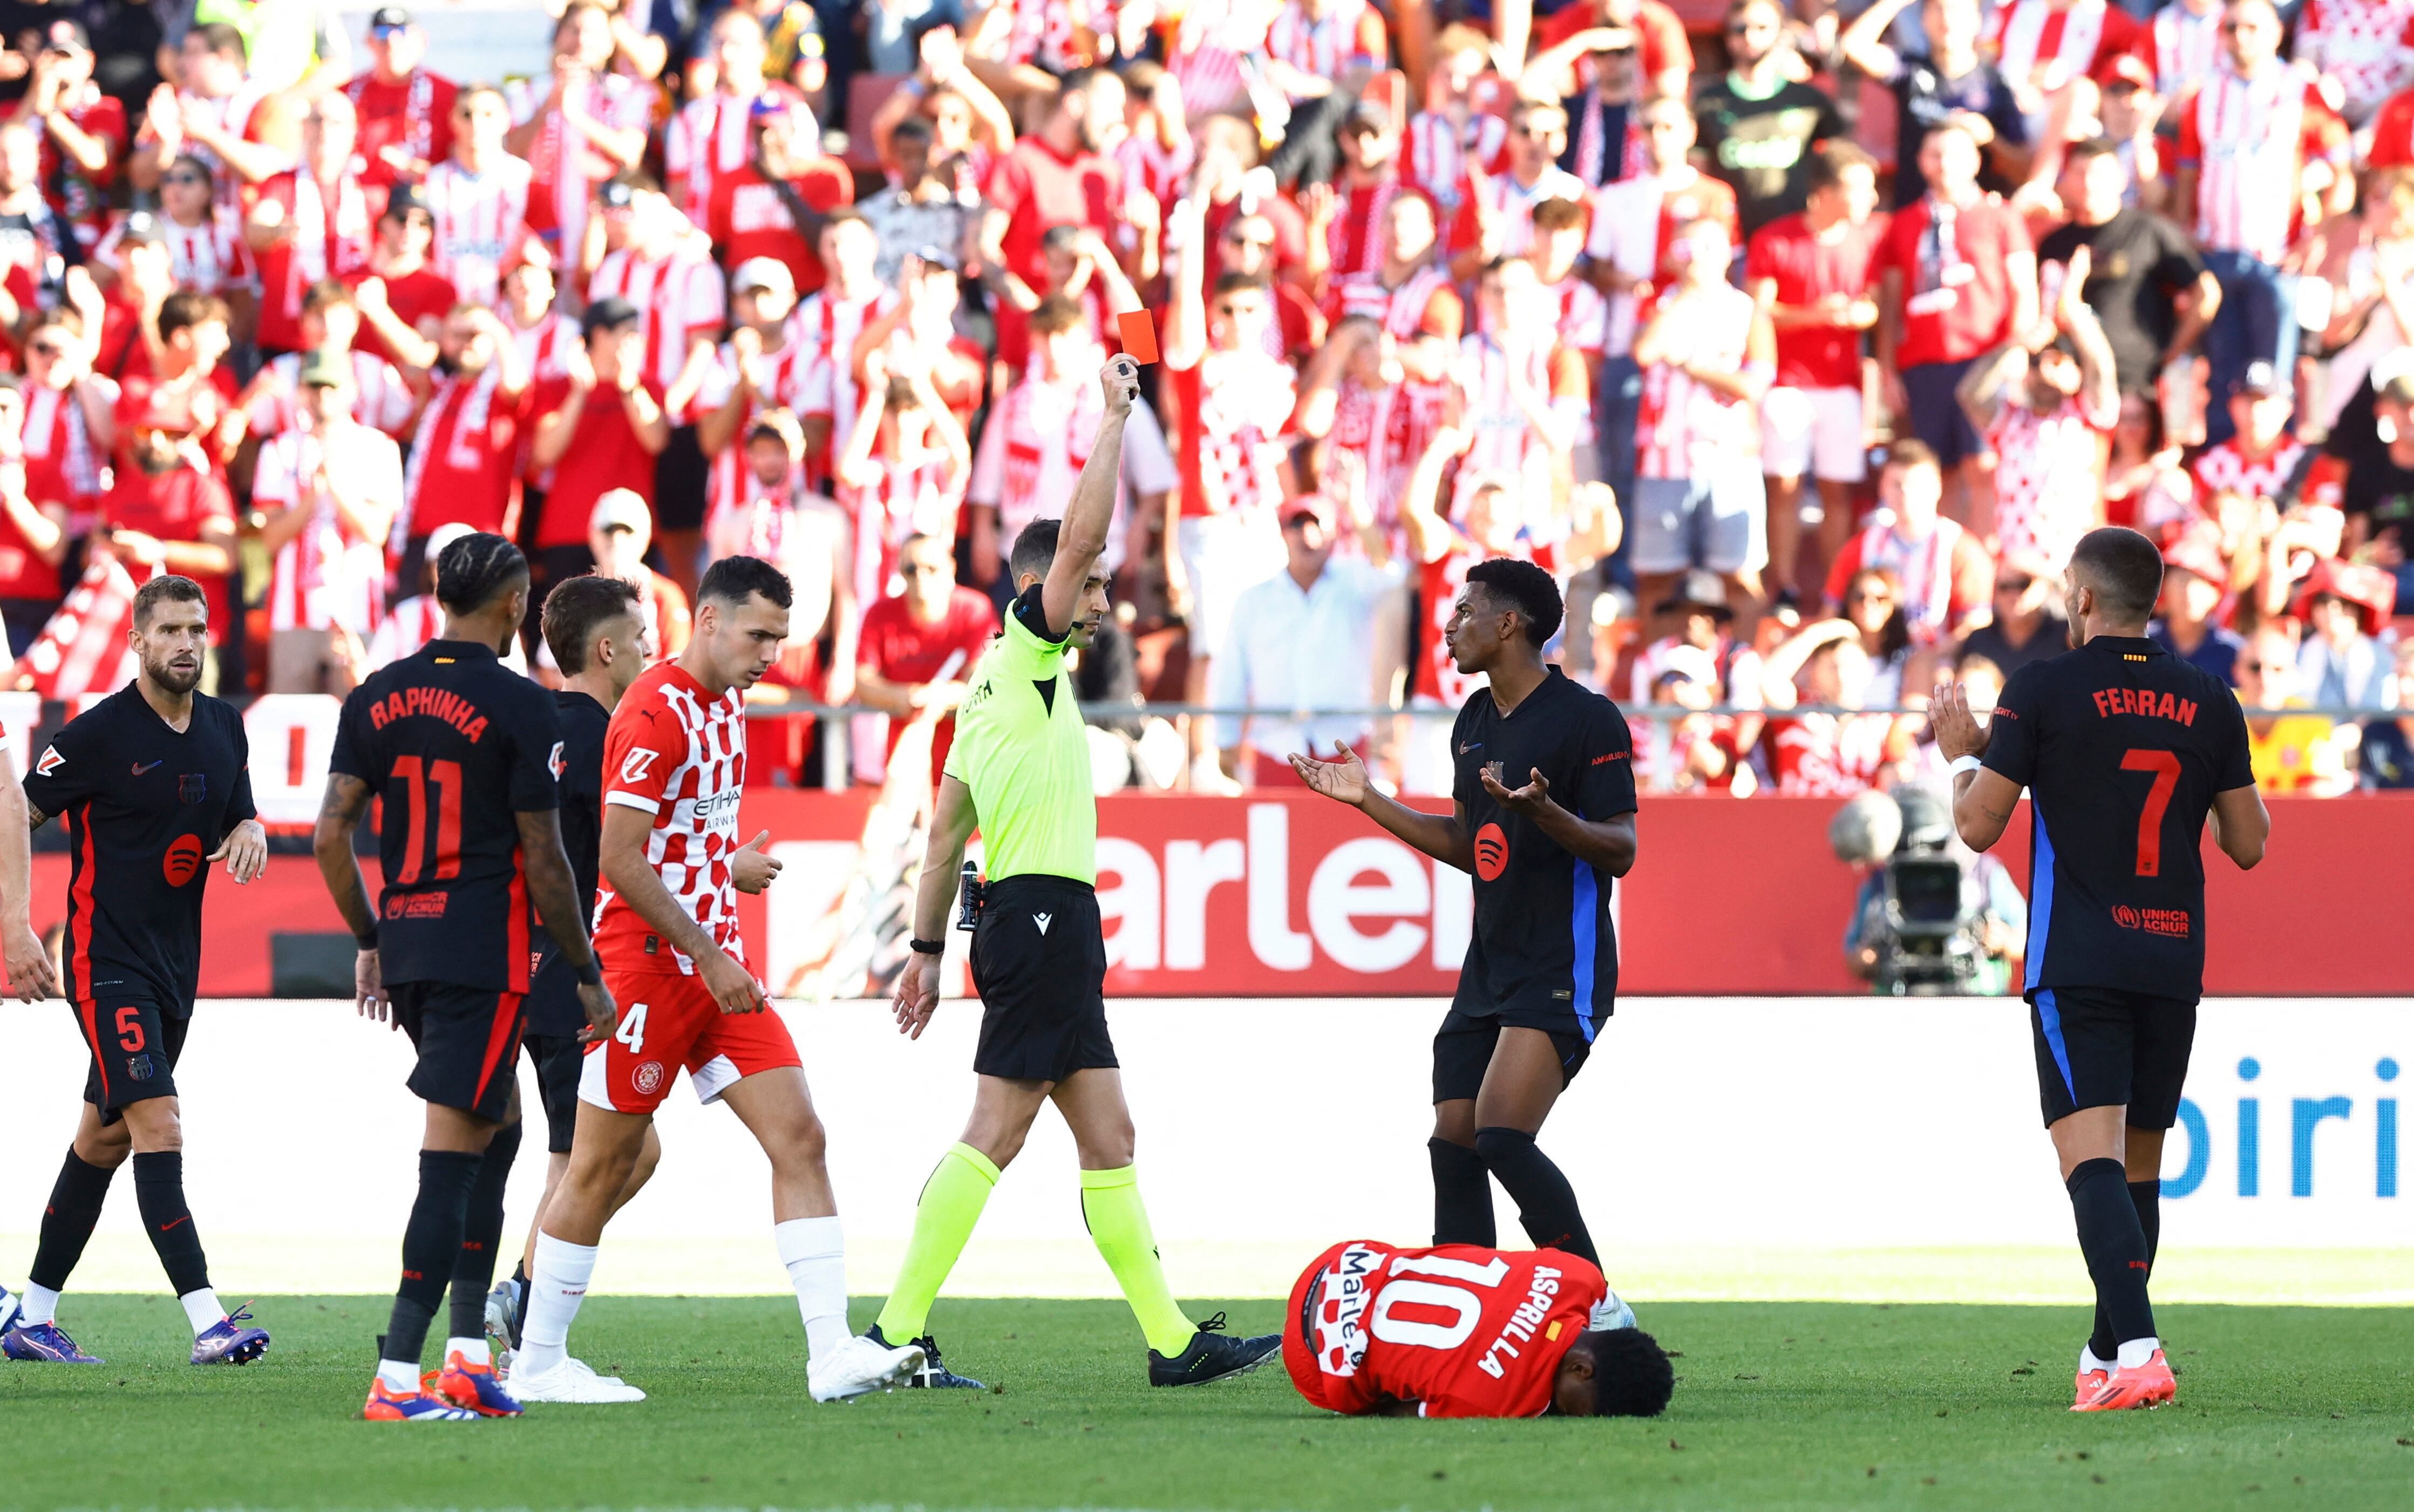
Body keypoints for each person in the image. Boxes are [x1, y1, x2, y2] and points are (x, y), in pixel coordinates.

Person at [884, 355, 1280, 1390]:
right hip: (1043, 923)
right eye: (1089, 586)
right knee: (995, 1132)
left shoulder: (985, 698)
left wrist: (926, 954)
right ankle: (889, 1331)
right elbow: (1085, 534)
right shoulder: (1026, 647)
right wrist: (1113, 415)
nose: (1103, 598)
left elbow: (940, 843)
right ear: (1041, 587)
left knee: (1110, 1134)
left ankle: (1169, 1341)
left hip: (1032, 923)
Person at [518, 554, 921, 1405]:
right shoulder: (653, 710)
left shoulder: (728, 704)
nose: (773, 651)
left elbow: (673, 836)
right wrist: (706, 950)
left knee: (800, 1137)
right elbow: (618, 862)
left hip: (714, 967)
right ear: (706, 621)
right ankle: (539, 1360)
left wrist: (722, 865)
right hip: (648, 970)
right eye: (759, 632)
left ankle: (830, 1354)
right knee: (599, 1165)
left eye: (781, 635)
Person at [1935, 526, 2268, 1413]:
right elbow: (2248, 844)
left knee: (2086, 1158)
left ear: (2080, 600)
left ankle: (2137, 1350)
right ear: (2152, 599)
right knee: (2138, 1169)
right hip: (2170, 953)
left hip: (2077, 958)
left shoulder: (2040, 688)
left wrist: (1963, 752)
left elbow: (1975, 827)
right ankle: (2104, 1349)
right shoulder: (2208, 698)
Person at [315, 533, 614, 1422]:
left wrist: (372, 934)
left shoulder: (375, 694)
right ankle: (398, 1378)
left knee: (502, 1129)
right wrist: (586, 972)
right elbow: (545, 858)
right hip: (482, 953)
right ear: (516, 606)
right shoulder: (523, 705)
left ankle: (466, 1360)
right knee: (450, 1158)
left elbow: (331, 833)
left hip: (408, 948)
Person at [1293, 560, 1638, 1277]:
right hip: (1489, 965)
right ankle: (1461, 1313)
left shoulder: (1586, 718)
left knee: (1502, 1136)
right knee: (1453, 1141)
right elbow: (1467, 843)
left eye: (1463, 611)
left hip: (1558, 964)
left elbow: (1622, 849)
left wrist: (1546, 812)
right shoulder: (1474, 721)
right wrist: (1369, 799)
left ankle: (1601, 1309)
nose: (1448, 626)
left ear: (1508, 624)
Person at [1, 576, 267, 1368]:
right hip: (103, 961)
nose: (187, 643)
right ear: (138, 643)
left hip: (173, 969)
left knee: (104, 1137)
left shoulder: (224, 724)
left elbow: (236, 809)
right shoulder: (95, 736)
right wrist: (16, 925)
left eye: (197, 628)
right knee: (160, 1123)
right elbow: (17, 813)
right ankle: (210, 1318)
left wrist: (249, 825)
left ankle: (32, 1316)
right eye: (171, 631)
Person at [484, 574, 663, 1363]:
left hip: (516, 961)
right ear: (607, 648)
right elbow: (616, 861)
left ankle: (524, 1288)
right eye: (644, 636)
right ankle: (524, 1296)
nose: (654, 650)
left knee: (591, 1148)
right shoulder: (604, 739)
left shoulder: (532, 726)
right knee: (602, 1150)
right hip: (574, 967)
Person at [2170, 0, 2351, 444]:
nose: (2241, 36)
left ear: (2276, 32)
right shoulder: (2202, 95)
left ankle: (2272, 483)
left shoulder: (2300, 92)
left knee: (2275, 384)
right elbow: (2188, 173)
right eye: (2232, 27)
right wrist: (2184, 236)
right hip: (2216, 255)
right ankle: (2218, 477)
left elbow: (2341, 174)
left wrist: (2316, 238)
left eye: (2252, 26)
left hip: (2275, 259)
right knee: (2220, 379)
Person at [1282, 1237, 1671, 1419]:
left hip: (1342, 1262)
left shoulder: (1576, 1273)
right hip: (1310, 1358)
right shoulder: (1505, 1404)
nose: (1568, 1415)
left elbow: (1611, 1313)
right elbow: (1396, 1413)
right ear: (1581, 1370)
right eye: (1580, 1412)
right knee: (1367, 1399)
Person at [1874, 120, 2039, 525]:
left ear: (1975, 161)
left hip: (1985, 360)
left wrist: (2017, 352)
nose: (1944, 163)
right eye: (1935, 154)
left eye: (1954, 153)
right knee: (1936, 473)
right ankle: (1945, 570)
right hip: (1925, 363)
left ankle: (1984, 570)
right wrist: (1886, 369)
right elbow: (1891, 303)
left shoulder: (2000, 216)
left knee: (1982, 466)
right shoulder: (1903, 223)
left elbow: (2023, 289)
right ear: (1921, 162)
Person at [1747, 140, 1887, 602]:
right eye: (1857, 188)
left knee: (1837, 492)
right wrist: (1818, 314)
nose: (1869, 198)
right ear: (1825, 192)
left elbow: (1874, 304)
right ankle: (1781, 586)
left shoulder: (1867, 241)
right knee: (1784, 486)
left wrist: (1860, 316)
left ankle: (1836, 589)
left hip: (1841, 385)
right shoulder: (1774, 239)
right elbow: (1758, 312)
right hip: (1787, 383)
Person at [1212, 487, 1400, 786]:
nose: (1308, 535)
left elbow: (1391, 574)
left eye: (1319, 525)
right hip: (1277, 748)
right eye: (1297, 525)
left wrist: (1355, 506)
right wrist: (1225, 740)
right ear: (1284, 534)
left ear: (1335, 536)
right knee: (1274, 833)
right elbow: (1231, 674)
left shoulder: (1356, 584)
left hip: (1345, 747)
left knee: (1344, 832)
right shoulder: (1254, 600)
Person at [251, 347, 403, 694]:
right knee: (289, 717)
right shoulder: (278, 449)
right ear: (302, 391)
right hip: (293, 613)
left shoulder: (378, 448)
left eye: (332, 387)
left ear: (351, 389)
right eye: (315, 386)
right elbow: (270, 539)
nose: (323, 396)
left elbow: (376, 531)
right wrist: (310, 500)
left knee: (356, 713)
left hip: (356, 607)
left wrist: (334, 487)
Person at [2035, 139, 2218, 401]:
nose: (2089, 183)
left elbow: (2206, 292)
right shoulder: (2054, 245)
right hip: (2070, 386)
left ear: (2121, 180)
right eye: (2080, 173)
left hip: (2136, 385)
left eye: (2098, 174)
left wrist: (2171, 354)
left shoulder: (2148, 230)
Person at [1690, 0, 1844, 239]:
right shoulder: (1708, 102)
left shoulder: (1809, 101)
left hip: (1794, 241)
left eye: (1762, 28)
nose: (1750, 36)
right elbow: (1696, 176)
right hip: (1729, 241)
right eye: (1740, 29)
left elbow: (1840, 162)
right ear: (1728, 37)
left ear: (1781, 34)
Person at [854, 530, 999, 780]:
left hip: (969, 761)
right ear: (900, 571)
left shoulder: (976, 610)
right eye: (911, 569)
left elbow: (989, 680)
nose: (920, 577)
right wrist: (904, 696)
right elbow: (863, 681)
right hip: (904, 761)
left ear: (951, 569)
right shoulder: (880, 615)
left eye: (931, 568)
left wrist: (942, 696)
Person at [1823, 441, 1991, 646]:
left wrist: (1933, 657)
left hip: (1934, 664)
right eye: (1897, 484)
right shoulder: (1862, 546)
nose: (1906, 493)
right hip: (1871, 664)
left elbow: (1977, 625)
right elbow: (1830, 617)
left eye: (1916, 484)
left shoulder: (1962, 550)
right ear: (1882, 487)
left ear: (1937, 487)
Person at [346, 6, 456, 190]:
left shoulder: (449, 95)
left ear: (422, 40)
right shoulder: (345, 95)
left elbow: (467, 161)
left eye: (401, 32)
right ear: (369, 42)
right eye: (383, 33)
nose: (391, 42)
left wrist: (429, 172)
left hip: (422, 204)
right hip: (359, 200)